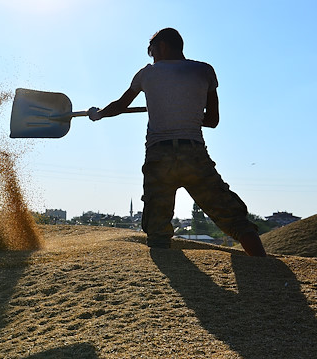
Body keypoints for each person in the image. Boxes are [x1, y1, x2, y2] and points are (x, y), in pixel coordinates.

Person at [87, 28, 266, 256]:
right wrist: (185, 111)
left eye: (150, 50)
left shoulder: (147, 74)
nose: (150, 56)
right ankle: (263, 265)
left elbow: (121, 106)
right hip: (194, 156)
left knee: (157, 228)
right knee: (233, 217)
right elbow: (212, 120)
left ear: (162, 46)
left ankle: (166, 279)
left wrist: (98, 113)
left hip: (159, 158)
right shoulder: (204, 71)